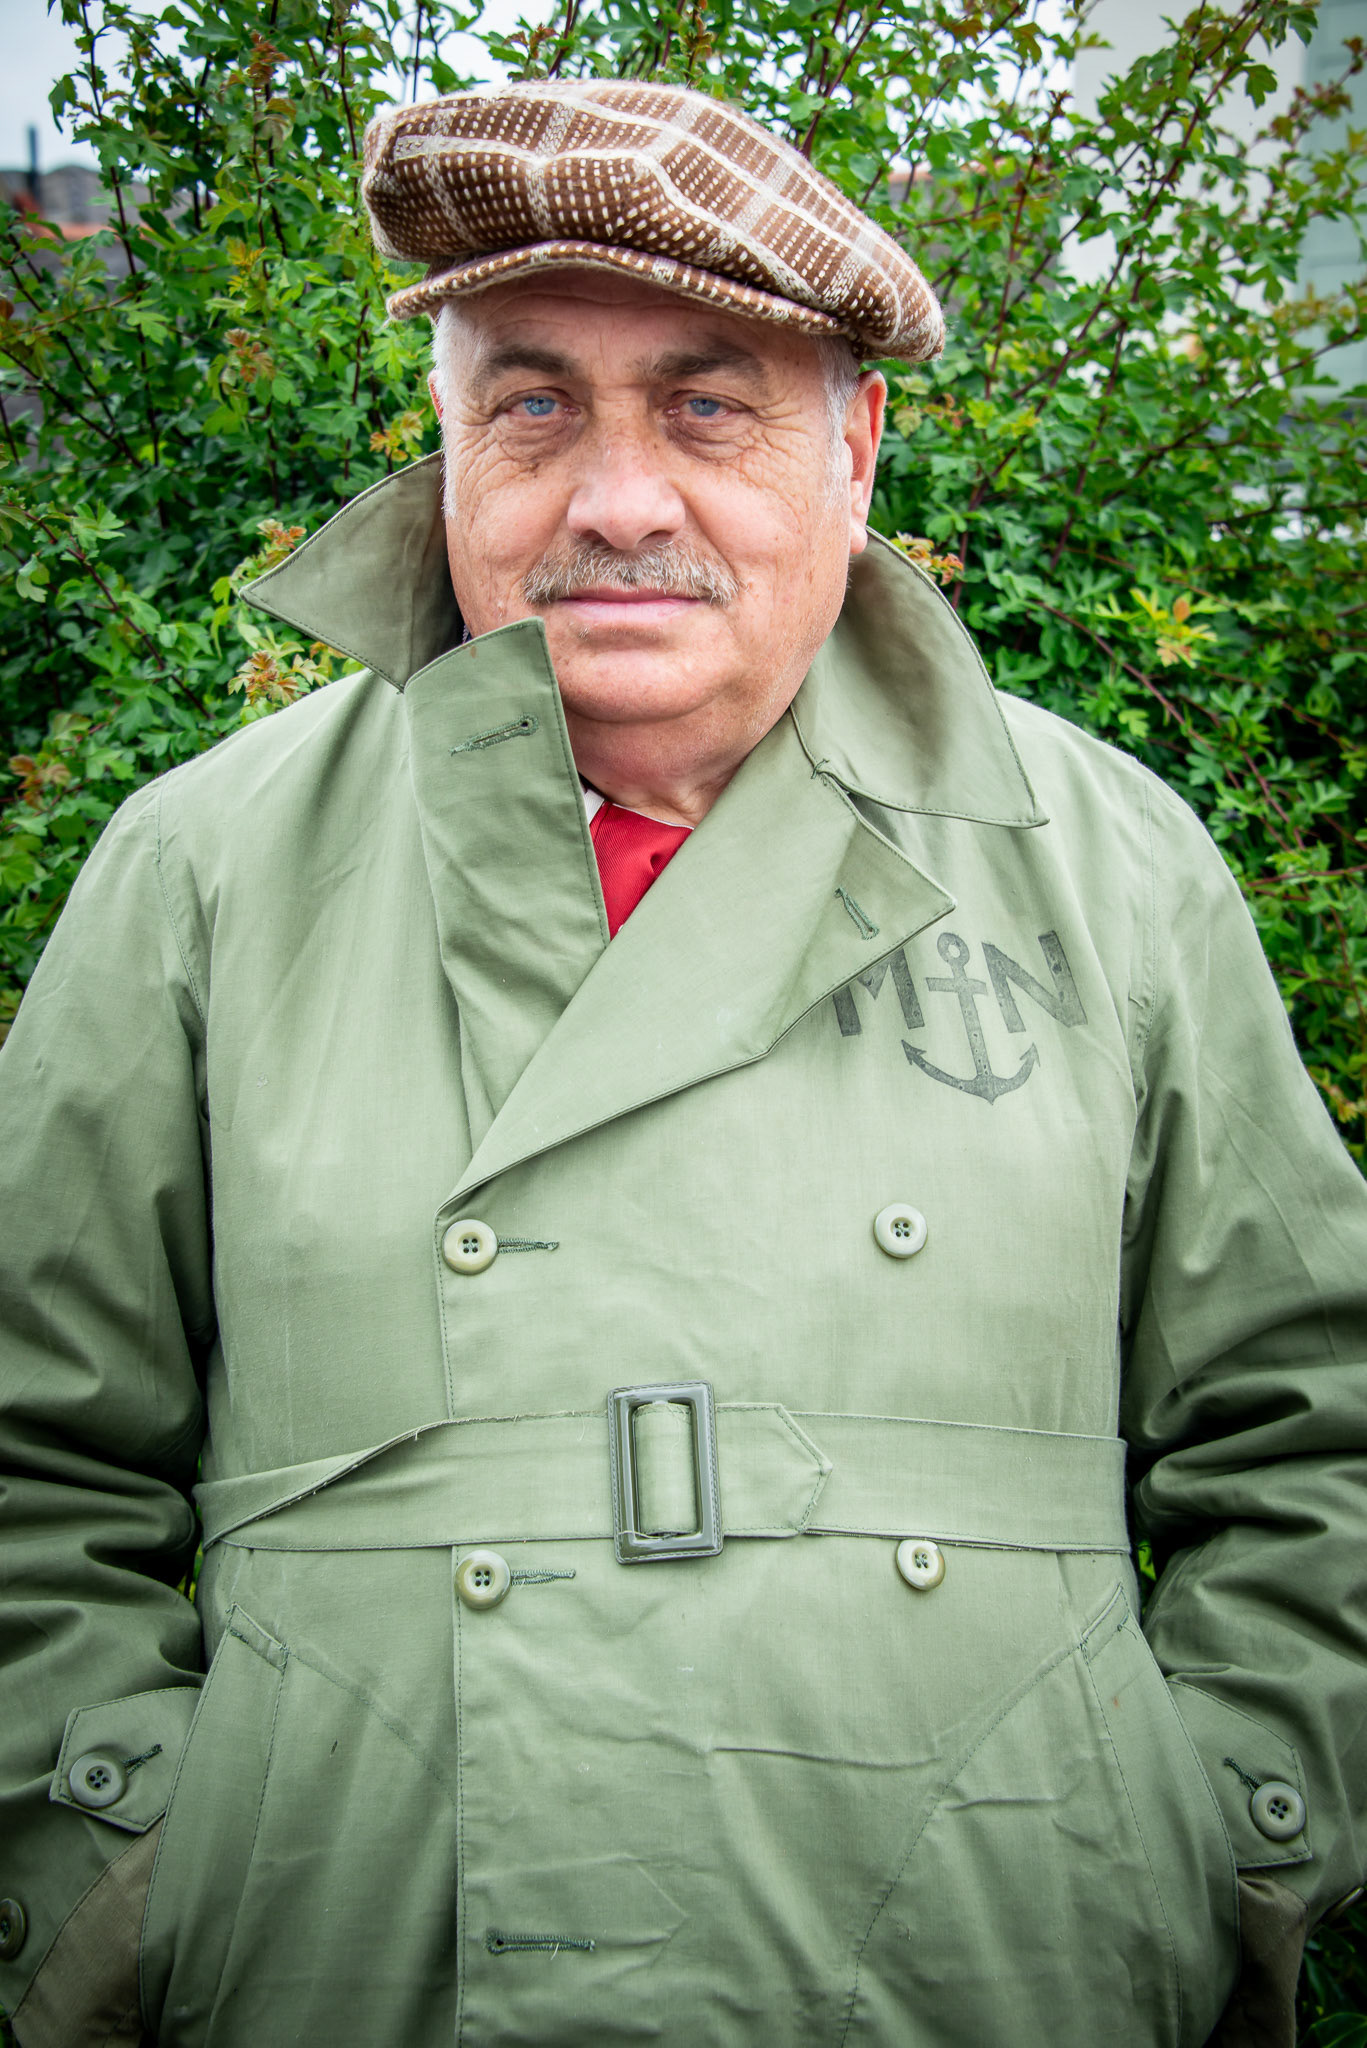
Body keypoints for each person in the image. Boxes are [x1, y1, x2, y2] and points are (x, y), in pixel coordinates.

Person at [0, 77, 1364, 2048]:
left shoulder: (1111, 868)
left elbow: (1318, 1428)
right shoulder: (205, 871)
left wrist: (1212, 1847)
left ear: (855, 451)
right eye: (534, 405)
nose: (618, 499)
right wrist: (132, 1883)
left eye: (709, 407)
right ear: (450, 449)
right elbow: (33, 1455)